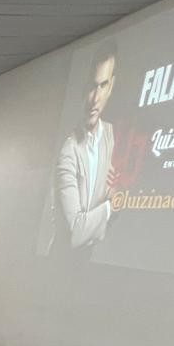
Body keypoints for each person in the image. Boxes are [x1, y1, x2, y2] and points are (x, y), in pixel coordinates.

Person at [53, 39, 118, 251]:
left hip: (96, 258)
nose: (95, 98)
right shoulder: (69, 151)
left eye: (103, 86)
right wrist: (111, 206)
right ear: (83, 89)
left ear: (111, 86)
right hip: (64, 263)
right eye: (91, 87)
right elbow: (76, 231)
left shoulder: (111, 136)